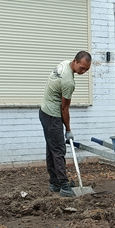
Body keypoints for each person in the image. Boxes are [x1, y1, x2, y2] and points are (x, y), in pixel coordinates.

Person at [40, 51, 92, 197]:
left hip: (44, 112)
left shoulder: (64, 64)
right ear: (75, 61)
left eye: (87, 69)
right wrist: (68, 129)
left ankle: (54, 183)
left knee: (52, 149)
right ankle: (63, 186)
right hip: (52, 115)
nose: (83, 71)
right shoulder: (69, 82)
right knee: (58, 150)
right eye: (82, 68)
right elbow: (64, 109)